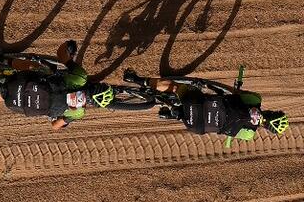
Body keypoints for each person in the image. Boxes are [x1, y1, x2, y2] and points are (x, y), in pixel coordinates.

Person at [0, 40, 114, 129]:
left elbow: (62, 55)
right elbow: (55, 126)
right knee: (1, 96)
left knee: (34, 67)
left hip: (25, 82)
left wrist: (68, 47)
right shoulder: (78, 113)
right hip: (19, 103)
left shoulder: (80, 78)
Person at [123, 68, 289, 142]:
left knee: (177, 88)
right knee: (200, 117)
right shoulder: (248, 135)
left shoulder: (255, 100)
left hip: (197, 103)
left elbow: (232, 93)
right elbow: (227, 131)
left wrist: (209, 86)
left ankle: (136, 79)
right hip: (196, 126)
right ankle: (172, 114)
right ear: (268, 128)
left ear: (273, 112)